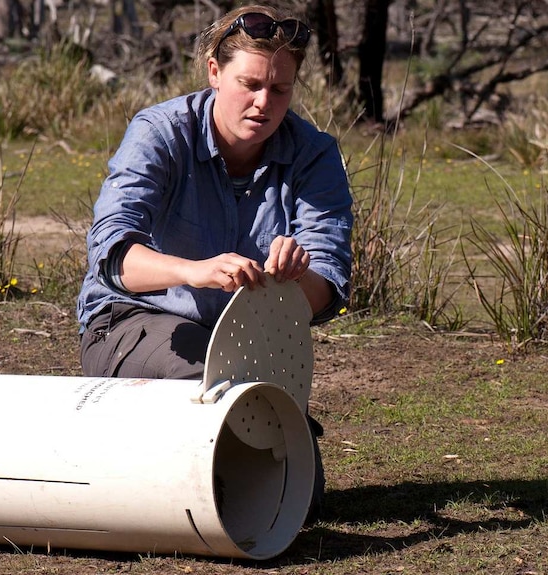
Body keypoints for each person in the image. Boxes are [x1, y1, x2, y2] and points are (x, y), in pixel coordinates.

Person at [76, 5, 353, 523]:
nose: (263, 103)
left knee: (304, 492)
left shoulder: (315, 153)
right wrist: (192, 270)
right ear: (213, 71)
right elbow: (111, 256)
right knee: (217, 398)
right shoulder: (159, 131)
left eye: (281, 89)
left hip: (245, 341)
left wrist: (292, 282)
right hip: (128, 320)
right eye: (249, 84)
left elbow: (329, 282)